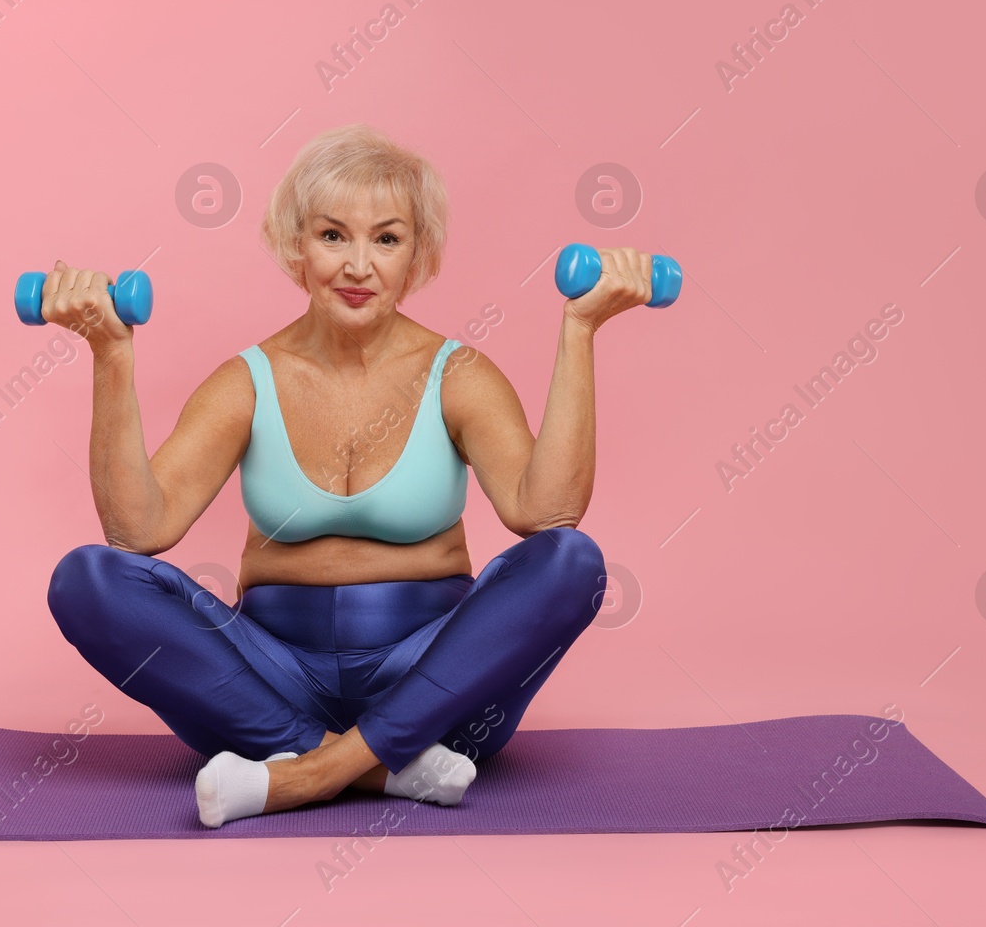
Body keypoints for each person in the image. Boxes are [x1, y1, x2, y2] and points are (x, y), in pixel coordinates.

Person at [45, 123, 655, 827]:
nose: (358, 265)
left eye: (386, 239)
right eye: (334, 235)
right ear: (295, 247)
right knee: (86, 577)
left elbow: (544, 512)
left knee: (571, 560)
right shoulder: (247, 381)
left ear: (416, 257)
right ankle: (375, 767)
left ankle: (305, 774)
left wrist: (580, 331)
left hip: (437, 687)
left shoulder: (458, 374)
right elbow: (138, 527)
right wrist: (110, 354)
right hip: (269, 683)